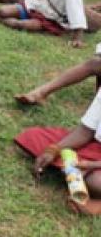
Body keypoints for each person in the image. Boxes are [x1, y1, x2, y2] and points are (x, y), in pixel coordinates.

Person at [16, 86, 101, 215]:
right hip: (97, 147)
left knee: (97, 182)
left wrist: (92, 165)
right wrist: (54, 150)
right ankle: (75, 171)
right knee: (34, 136)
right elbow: (85, 131)